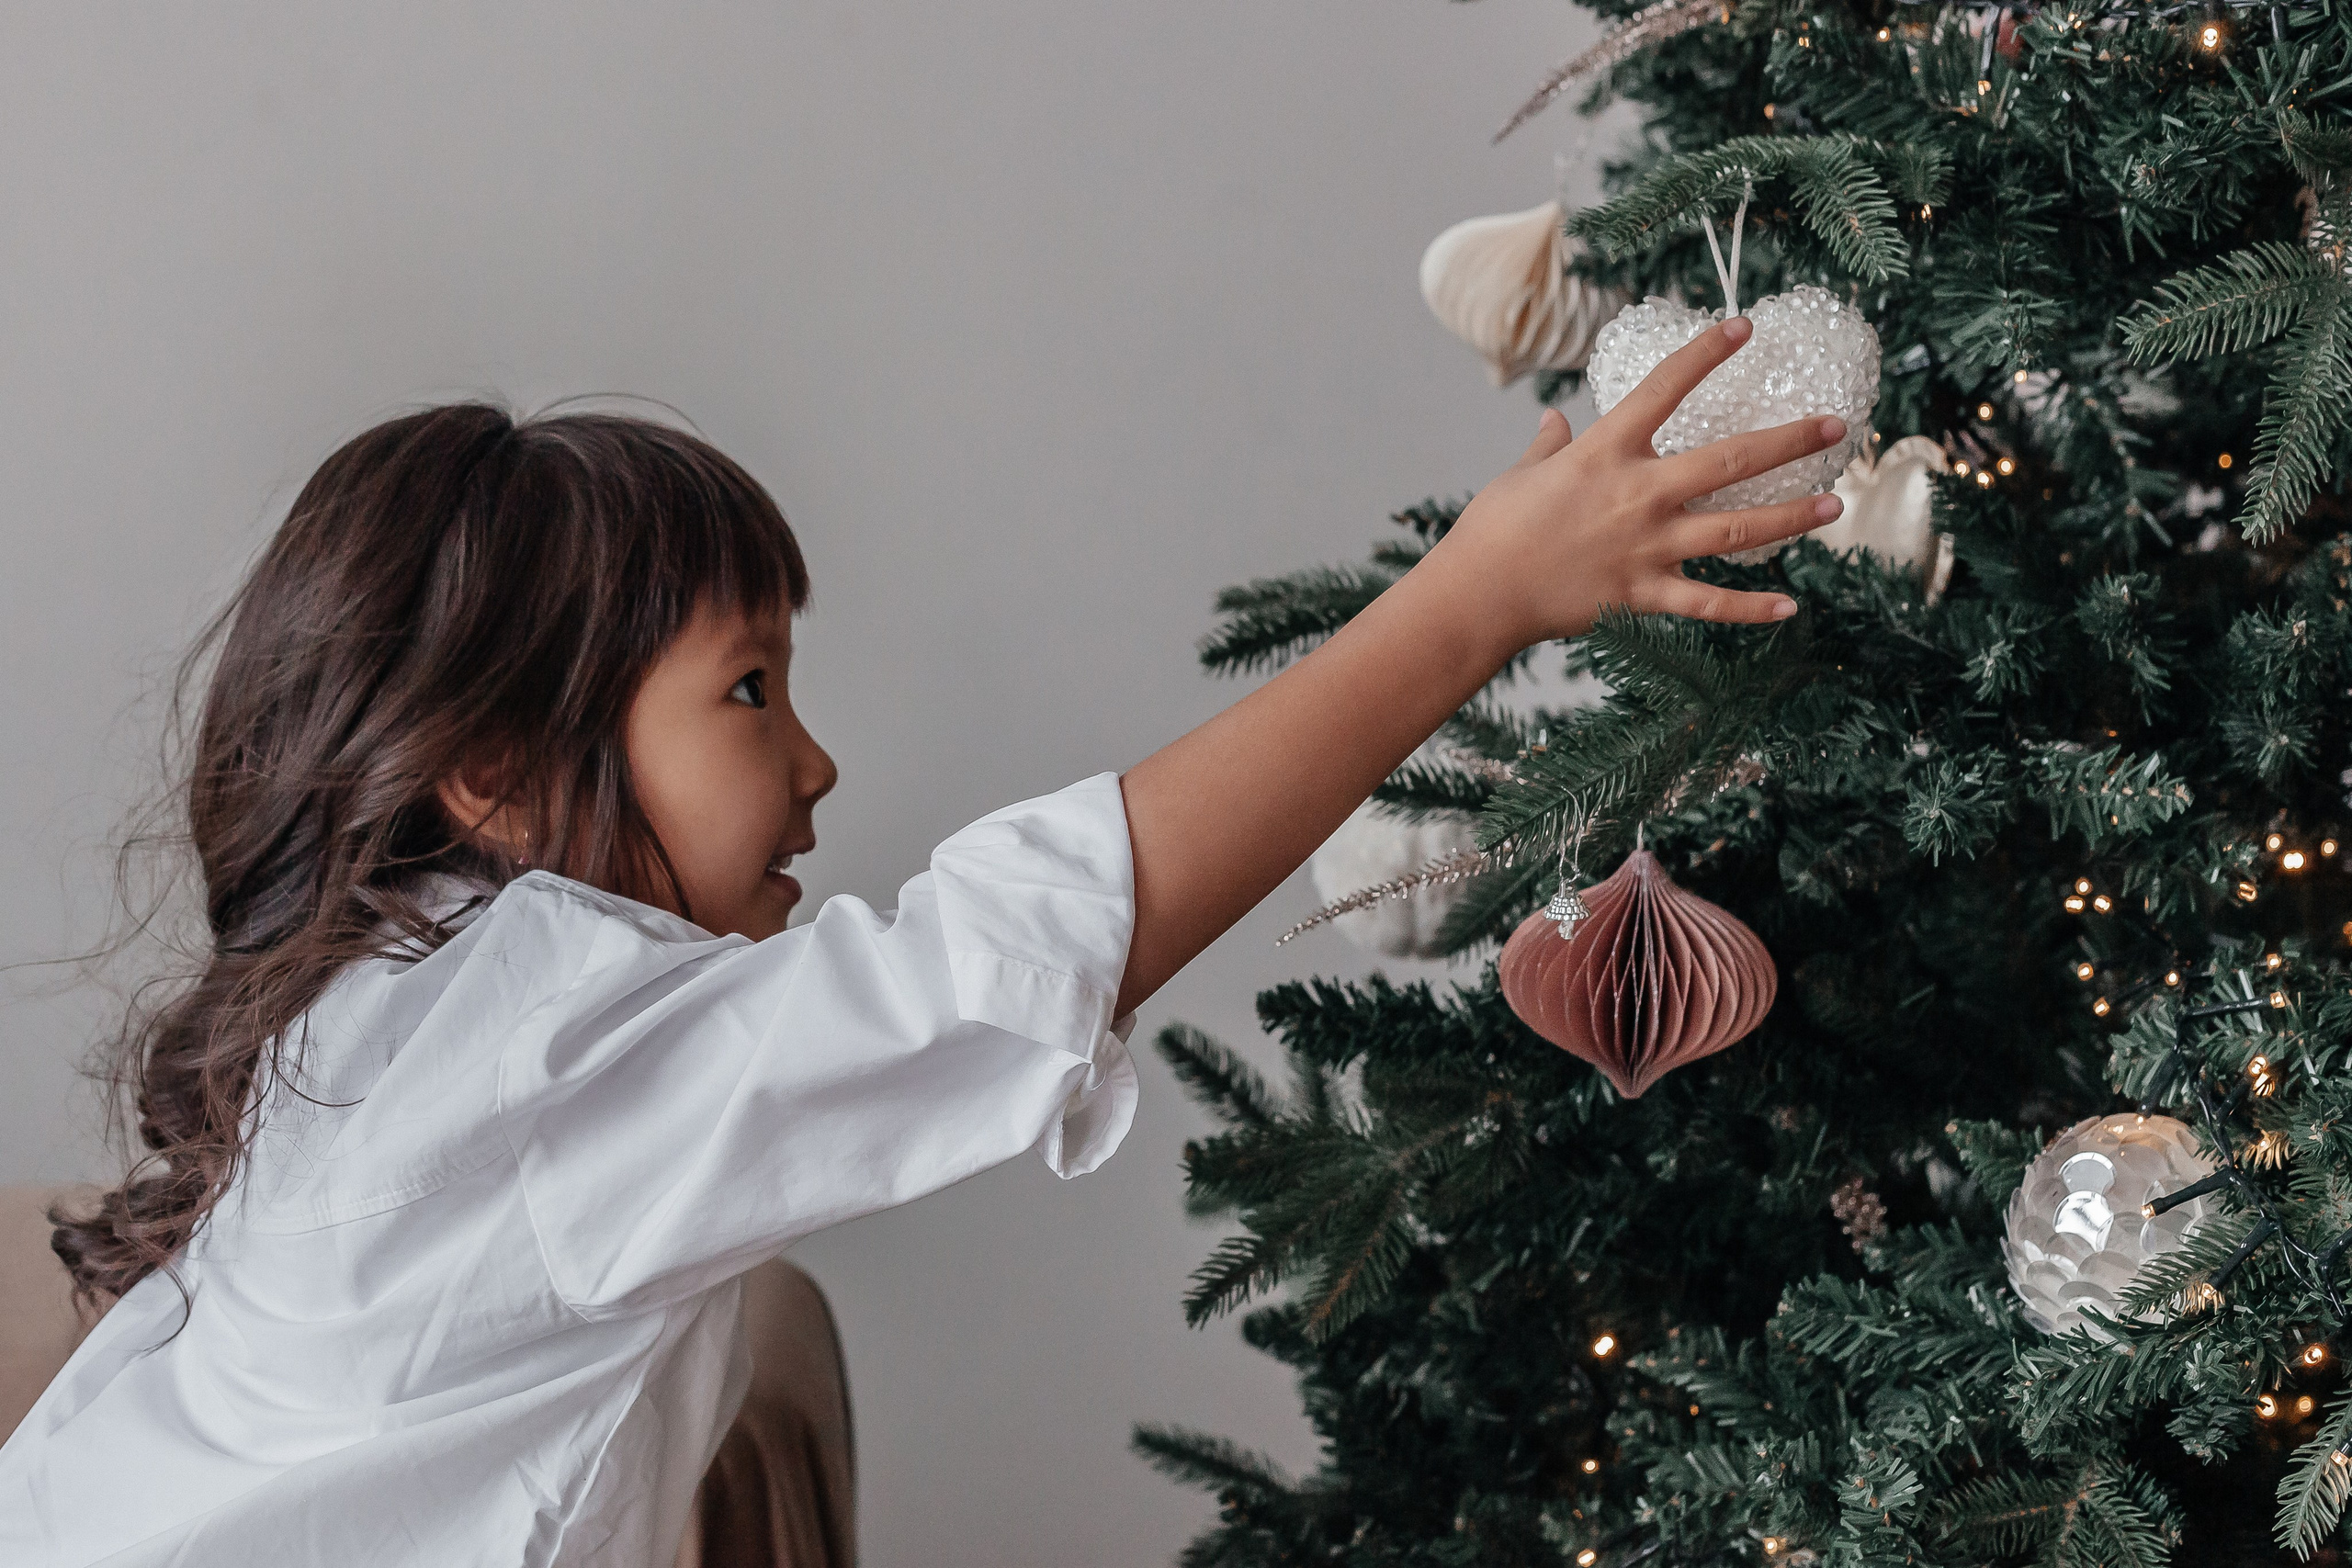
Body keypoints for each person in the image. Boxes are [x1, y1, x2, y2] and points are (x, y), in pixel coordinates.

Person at [0, 317, 1843, 1565]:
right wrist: (1471, 604)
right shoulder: (529, 1036)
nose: (812, 760)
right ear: (489, 766)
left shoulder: (410, 992)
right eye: (743, 688)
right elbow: (1022, 946)